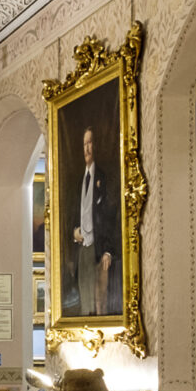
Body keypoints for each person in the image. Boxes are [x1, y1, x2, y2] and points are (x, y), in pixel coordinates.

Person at [70, 125, 119, 316]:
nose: (87, 148)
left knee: (100, 301)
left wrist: (108, 250)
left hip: (99, 248)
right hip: (83, 247)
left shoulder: (104, 178)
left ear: (95, 146)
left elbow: (111, 218)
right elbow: (74, 214)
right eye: (85, 144)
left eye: (90, 143)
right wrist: (74, 231)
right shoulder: (79, 182)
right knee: (85, 299)